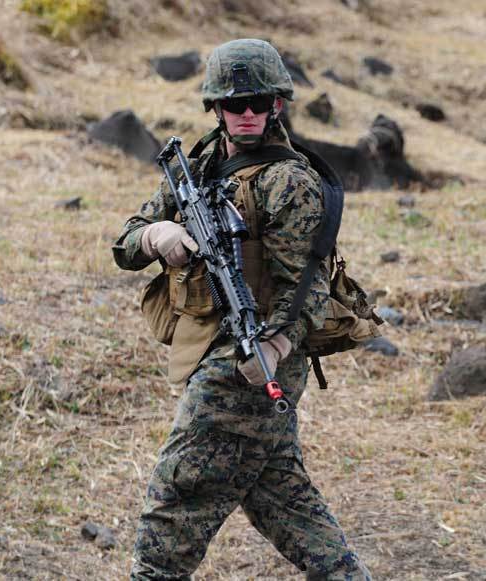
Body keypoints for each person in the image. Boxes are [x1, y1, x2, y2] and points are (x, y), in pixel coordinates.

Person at [112, 38, 371, 580]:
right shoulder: (200, 165)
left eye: (258, 102)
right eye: (235, 104)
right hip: (216, 346)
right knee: (283, 498)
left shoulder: (290, 182)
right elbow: (126, 243)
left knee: (177, 497)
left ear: (277, 104)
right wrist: (158, 236)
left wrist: (274, 346)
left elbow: (306, 285)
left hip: (254, 360)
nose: (247, 113)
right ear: (216, 107)